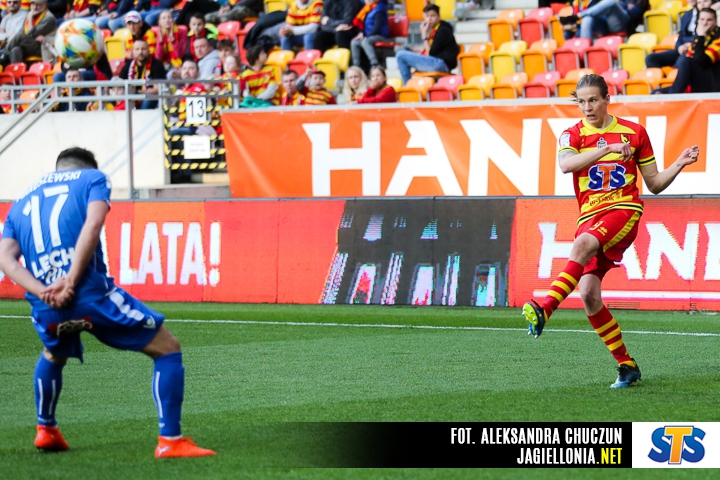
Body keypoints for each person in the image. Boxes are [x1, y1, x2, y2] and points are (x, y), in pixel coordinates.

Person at [0, 148, 215, 458]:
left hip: (47, 305)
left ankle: (46, 430)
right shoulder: (93, 178)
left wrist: (44, 291)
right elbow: (93, 224)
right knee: (167, 348)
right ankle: (171, 441)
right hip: (90, 293)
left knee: (53, 354)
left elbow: (6, 258)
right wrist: (71, 280)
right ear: (88, 167)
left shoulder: (20, 202)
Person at [522, 74, 700, 389]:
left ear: (607, 99)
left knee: (582, 246)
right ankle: (627, 365)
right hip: (589, 216)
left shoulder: (634, 132)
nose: (587, 107)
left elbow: (654, 184)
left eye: (593, 100)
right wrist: (607, 150)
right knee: (589, 295)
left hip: (624, 210)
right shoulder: (572, 134)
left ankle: (545, 308)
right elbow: (567, 165)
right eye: (581, 102)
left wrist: (679, 164)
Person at [660, 8, 720, 93]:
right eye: (702, 19)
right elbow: (690, 54)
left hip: (712, 83)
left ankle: (674, 94)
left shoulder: (716, 37)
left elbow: (702, 60)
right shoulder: (701, 36)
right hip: (695, 81)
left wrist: (700, 37)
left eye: (709, 20)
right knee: (657, 93)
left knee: (686, 60)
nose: (704, 23)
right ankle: (674, 92)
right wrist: (700, 37)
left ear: (715, 22)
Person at [395, 4, 458, 85]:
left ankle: (407, 86)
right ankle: (408, 86)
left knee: (400, 55)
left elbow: (431, 53)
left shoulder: (443, 30)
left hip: (441, 65)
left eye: (433, 16)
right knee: (404, 50)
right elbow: (433, 50)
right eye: (427, 16)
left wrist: (424, 35)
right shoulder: (434, 29)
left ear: (439, 17)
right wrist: (420, 52)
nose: (429, 19)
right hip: (437, 62)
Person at [645, 0, 703, 69]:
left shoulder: (706, 16)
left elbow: (702, 35)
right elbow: (681, 35)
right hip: (682, 49)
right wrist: (679, 47)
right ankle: (664, 75)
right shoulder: (686, 15)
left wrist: (690, 44)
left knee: (681, 62)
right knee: (650, 58)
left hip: (694, 49)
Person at [0, 0, 56, 67]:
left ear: (45, 4)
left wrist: (30, 18)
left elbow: (31, 34)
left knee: (19, 37)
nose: (35, 7)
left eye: (38, 5)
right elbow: (21, 31)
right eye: (33, 4)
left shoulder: (49, 18)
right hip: (31, 44)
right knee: (16, 50)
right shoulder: (31, 14)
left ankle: (3, 56)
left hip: (43, 47)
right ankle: (16, 71)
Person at [119, 38, 166, 108]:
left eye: (143, 49)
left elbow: (157, 89)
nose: (140, 52)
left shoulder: (157, 65)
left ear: (149, 51)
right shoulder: (129, 64)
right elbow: (119, 81)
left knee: (148, 99)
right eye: (137, 49)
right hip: (132, 96)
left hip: (149, 97)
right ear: (133, 51)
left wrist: (139, 93)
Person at [349, 0, 388, 68]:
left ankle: (374, 63)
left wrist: (366, 36)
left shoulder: (380, 10)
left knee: (365, 41)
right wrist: (362, 33)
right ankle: (356, 65)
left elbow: (377, 28)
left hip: (379, 35)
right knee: (354, 42)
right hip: (369, 35)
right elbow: (364, 25)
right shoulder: (367, 9)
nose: (366, 0)